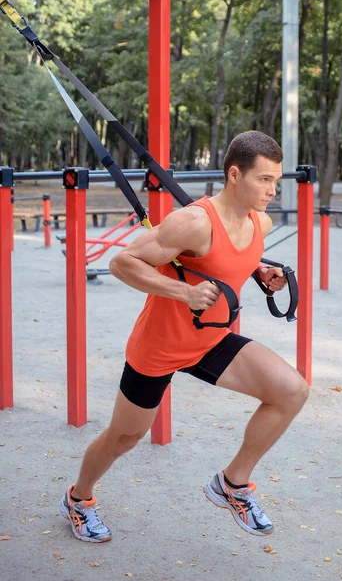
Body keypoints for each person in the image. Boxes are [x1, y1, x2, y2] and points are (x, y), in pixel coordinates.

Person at [58, 131, 309, 543]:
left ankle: (232, 484)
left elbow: (231, 259)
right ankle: (78, 498)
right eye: (264, 179)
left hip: (209, 340)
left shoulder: (257, 221)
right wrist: (184, 292)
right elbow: (122, 263)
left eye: (275, 180)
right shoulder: (192, 223)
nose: (272, 190)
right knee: (125, 437)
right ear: (234, 174)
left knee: (292, 392)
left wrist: (261, 274)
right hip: (159, 346)